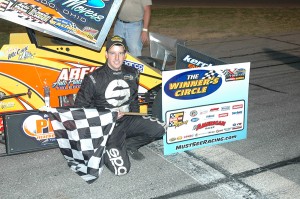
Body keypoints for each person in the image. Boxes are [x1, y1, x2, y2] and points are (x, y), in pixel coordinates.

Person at [74, 35, 165, 176]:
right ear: (106, 55)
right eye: (112, 53)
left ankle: (130, 144)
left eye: (120, 53)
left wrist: (135, 117)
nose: (116, 58)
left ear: (125, 56)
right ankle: (102, 147)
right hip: (107, 127)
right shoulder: (93, 78)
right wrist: (106, 116)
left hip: (127, 120)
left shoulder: (133, 73)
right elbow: (79, 109)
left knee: (161, 128)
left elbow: (133, 100)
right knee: (121, 170)